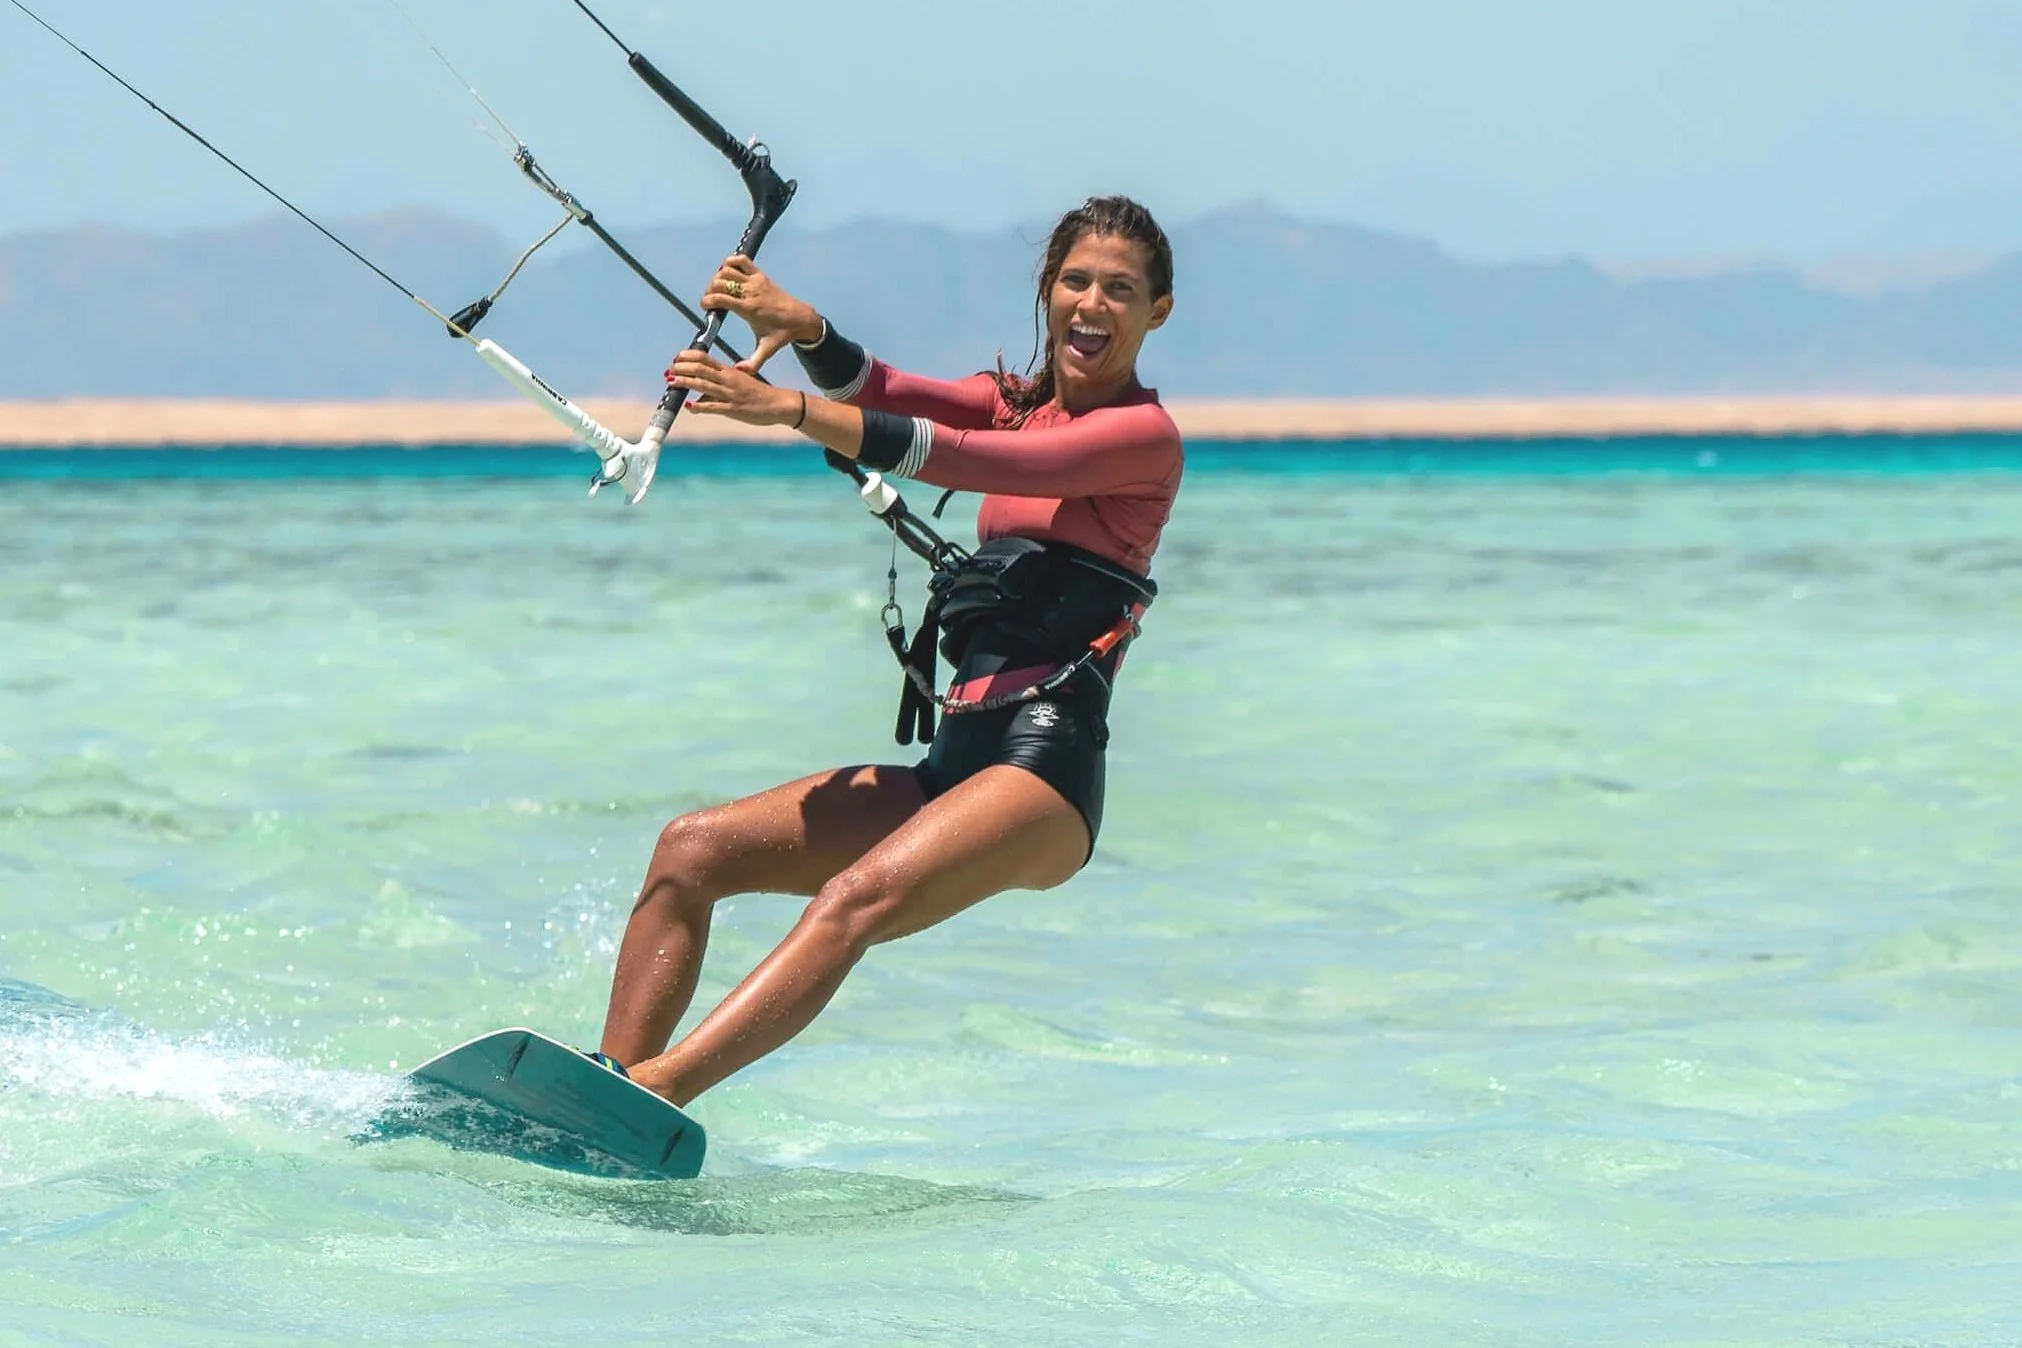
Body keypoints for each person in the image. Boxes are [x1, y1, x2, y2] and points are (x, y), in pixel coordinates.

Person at [594, 195, 1182, 1106]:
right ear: (1047, 290)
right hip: (955, 762)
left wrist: (786, 407)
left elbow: (964, 458)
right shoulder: (1017, 407)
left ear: (1156, 312)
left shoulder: (1142, 439)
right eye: (1074, 281)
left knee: (850, 900)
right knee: (690, 850)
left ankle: (659, 1093)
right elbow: (893, 392)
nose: (1091, 304)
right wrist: (805, 329)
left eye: (1120, 289)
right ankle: (609, 1089)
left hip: (1045, 771)